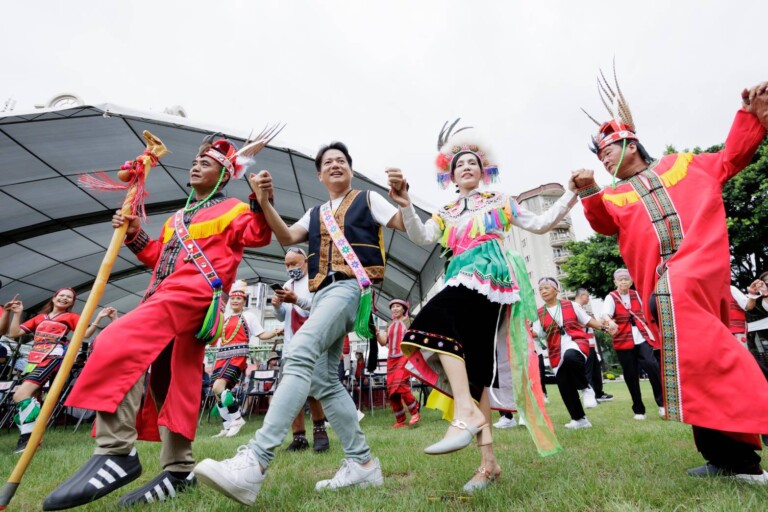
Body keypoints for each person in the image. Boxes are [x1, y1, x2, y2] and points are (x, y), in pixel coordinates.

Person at [43, 134, 273, 510]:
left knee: (115, 340)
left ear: (224, 174)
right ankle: (180, 471)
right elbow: (158, 258)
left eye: (207, 162)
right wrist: (134, 235)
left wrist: (260, 200)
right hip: (164, 295)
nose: (196, 164)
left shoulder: (232, 209)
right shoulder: (177, 219)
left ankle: (116, 450)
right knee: (172, 381)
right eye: (195, 160)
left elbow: (258, 234)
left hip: (194, 297)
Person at [573, 72, 768, 482]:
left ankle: (757, 411)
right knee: (692, 364)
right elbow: (604, 225)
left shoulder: (684, 164)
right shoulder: (613, 196)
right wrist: (590, 190)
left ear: (630, 143)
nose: (603, 160)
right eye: (599, 156)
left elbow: (732, 156)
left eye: (607, 150)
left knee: (697, 342)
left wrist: (752, 115)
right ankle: (732, 461)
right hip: (663, 293)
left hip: (694, 275)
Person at [195, 141, 407, 505]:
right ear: (320, 174)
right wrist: (264, 201)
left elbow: (404, 224)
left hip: (350, 288)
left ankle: (256, 462)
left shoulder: (368, 200)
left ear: (351, 170)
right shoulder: (316, 212)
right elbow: (285, 236)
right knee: (324, 379)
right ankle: (363, 463)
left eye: (342, 161)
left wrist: (403, 199)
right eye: (329, 162)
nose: (336, 165)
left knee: (300, 351)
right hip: (322, 294)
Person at [386, 123, 573, 492]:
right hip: (461, 275)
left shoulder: (500, 201)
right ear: (452, 175)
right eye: (460, 164)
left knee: (434, 316)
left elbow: (540, 223)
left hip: (491, 279)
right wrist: (406, 206)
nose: (467, 167)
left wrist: (571, 194)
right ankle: (488, 463)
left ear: (482, 170)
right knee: (477, 373)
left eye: (473, 162)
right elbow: (422, 236)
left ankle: (467, 415)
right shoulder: (447, 210)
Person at [2, 290, 101, 454]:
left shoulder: (72, 317)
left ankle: (27, 439)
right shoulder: (40, 318)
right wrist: (17, 313)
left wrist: (97, 319)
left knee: (19, 394)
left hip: (52, 357)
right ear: (54, 298)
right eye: (62, 295)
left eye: (69, 297)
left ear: (71, 303)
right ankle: (35, 443)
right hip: (32, 361)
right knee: (33, 399)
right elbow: (13, 334)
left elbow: (86, 334)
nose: (65, 298)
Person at [272, 247, 331, 452]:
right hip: (290, 345)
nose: (290, 268)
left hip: (312, 343)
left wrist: (295, 299)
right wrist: (277, 306)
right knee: (290, 392)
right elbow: (284, 317)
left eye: (294, 263)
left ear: (305, 261)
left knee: (314, 390)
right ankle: (298, 437)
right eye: (287, 265)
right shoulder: (288, 284)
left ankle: (320, 431)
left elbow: (320, 308)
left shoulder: (316, 281)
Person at [534, 278, 613, 429]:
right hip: (555, 350)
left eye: (546, 288)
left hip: (575, 342)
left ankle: (586, 387)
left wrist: (604, 328)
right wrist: (524, 330)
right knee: (564, 384)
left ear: (556, 289)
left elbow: (588, 320)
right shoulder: (539, 313)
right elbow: (537, 332)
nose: (543, 291)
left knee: (571, 357)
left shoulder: (571, 305)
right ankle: (579, 419)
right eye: (541, 289)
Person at [211, 280, 280, 439]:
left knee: (218, 387)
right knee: (217, 393)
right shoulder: (225, 317)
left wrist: (276, 331)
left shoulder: (249, 316)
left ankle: (237, 419)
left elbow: (262, 335)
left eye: (239, 298)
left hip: (237, 355)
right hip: (221, 355)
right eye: (233, 298)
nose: (235, 301)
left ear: (244, 301)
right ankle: (227, 426)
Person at [601, 269, 664, 420]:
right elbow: (604, 314)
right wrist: (610, 321)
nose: (623, 282)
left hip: (641, 337)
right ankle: (639, 410)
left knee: (652, 366)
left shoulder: (637, 294)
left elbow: (647, 312)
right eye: (620, 279)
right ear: (615, 282)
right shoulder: (611, 297)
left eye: (626, 279)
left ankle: (662, 405)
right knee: (630, 375)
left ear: (631, 282)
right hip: (623, 338)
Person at [375, 299, 420, 428]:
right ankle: (400, 420)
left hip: (404, 356)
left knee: (400, 385)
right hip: (391, 358)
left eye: (397, 306)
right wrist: (377, 334)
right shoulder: (389, 324)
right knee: (392, 391)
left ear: (404, 309)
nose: (394, 309)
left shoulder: (409, 321)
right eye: (393, 307)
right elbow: (383, 342)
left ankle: (415, 412)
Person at [574, 288, 612, 402]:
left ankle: (599, 393)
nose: (588, 298)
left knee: (596, 370)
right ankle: (591, 395)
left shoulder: (582, 309)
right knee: (588, 371)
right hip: (584, 344)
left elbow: (592, 322)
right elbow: (581, 323)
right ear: (582, 295)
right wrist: (599, 326)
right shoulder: (574, 307)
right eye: (587, 296)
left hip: (591, 344)